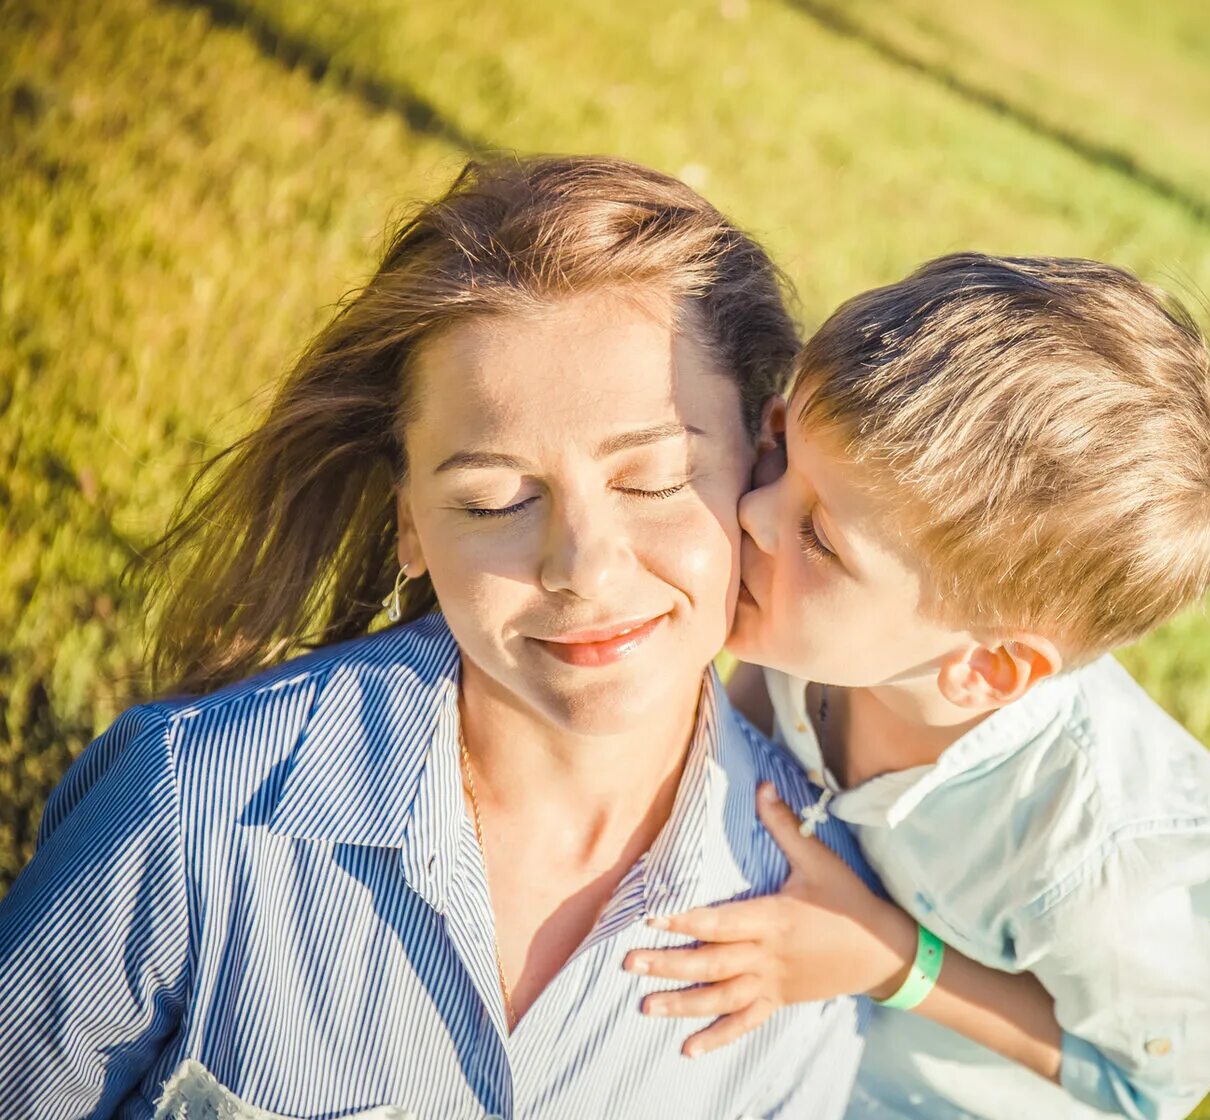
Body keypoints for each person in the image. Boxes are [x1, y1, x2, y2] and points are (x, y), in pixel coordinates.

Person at [0, 155, 870, 1120]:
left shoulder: (810, 907)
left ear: (760, 461)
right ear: (410, 521)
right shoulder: (193, 806)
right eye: (494, 499)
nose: (581, 565)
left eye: (655, 479)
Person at [626, 254, 1210, 1119]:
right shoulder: (812, 631)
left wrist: (890, 959)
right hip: (790, 1057)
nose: (755, 513)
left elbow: (1154, 1077)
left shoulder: (1087, 842)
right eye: (779, 440)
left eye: (821, 538)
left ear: (983, 668)